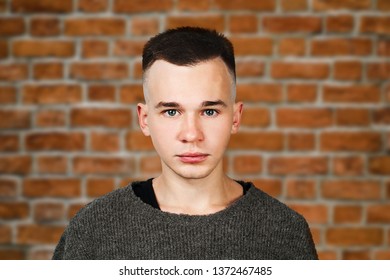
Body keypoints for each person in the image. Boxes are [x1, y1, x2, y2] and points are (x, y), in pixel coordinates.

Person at [52, 27, 318, 260]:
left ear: (236, 118)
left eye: (209, 111)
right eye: (171, 111)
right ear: (145, 120)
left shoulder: (284, 231)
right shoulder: (94, 229)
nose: (192, 134)